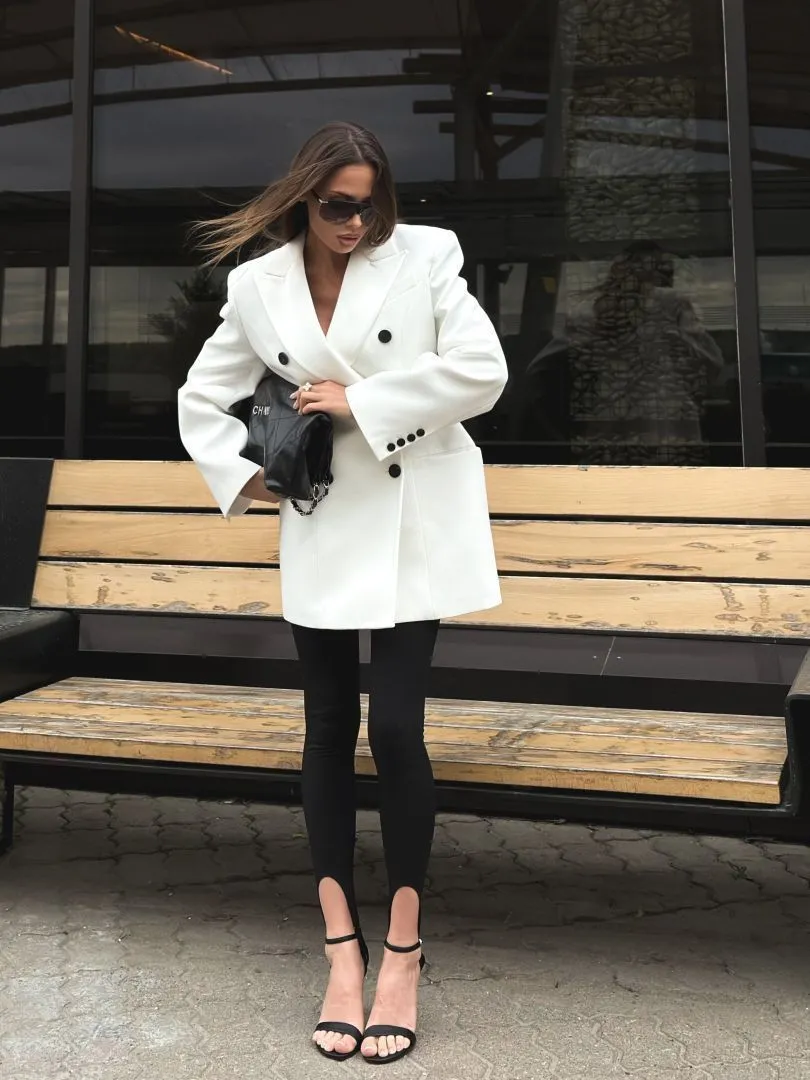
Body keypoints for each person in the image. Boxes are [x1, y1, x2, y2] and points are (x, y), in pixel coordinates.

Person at [177, 121, 507, 1064]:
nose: (357, 222)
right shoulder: (258, 285)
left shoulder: (427, 257)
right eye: (338, 206)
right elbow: (202, 398)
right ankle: (341, 952)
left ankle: (402, 950)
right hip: (322, 518)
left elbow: (483, 373)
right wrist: (245, 476)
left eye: (371, 204)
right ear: (304, 200)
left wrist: (361, 400)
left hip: (414, 521)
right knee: (326, 728)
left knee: (395, 729)